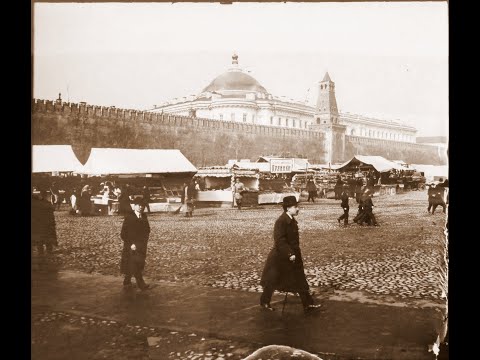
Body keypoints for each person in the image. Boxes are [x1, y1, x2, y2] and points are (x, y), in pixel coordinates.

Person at [259, 196, 322, 315]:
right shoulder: (281, 221)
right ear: (288, 208)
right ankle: (264, 302)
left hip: (292, 256)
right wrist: (289, 253)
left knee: (300, 279)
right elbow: (280, 240)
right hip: (280, 257)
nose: (298, 209)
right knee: (272, 281)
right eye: (295, 207)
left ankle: (308, 304)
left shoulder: (291, 219)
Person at [120, 197, 151, 291]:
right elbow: (123, 234)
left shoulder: (144, 216)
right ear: (134, 206)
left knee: (137, 263)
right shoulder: (129, 217)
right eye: (139, 205)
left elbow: (147, 230)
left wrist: (144, 241)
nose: (141, 207)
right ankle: (140, 283)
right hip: (131, 245)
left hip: (141, 245)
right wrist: (130, 244)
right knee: (134, 263)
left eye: (143, 206)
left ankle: (127, 280)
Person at [31, 190, 58, 255]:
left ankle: (41, 252)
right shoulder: (47, 204)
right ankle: (49, 251)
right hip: (47, 224)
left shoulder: (34, 205)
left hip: (38, 225)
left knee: (39, 239)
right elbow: (52, 213)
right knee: (48, 238)